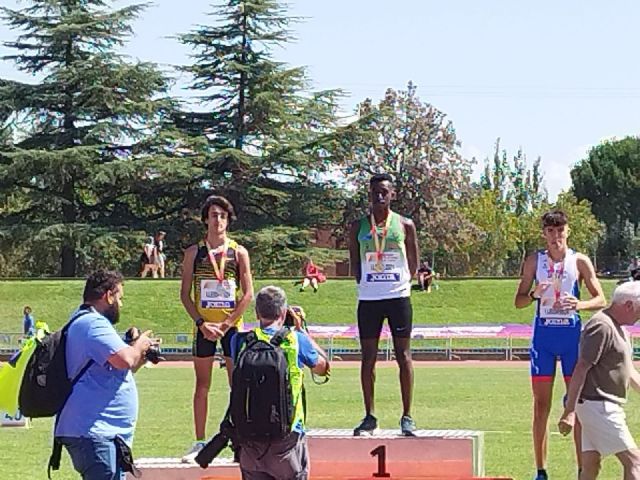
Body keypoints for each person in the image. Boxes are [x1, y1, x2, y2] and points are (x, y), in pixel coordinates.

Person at [514, 209, 606, 480]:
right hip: (543, 340)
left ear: (568, 231)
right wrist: (533, 294)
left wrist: (580, 304)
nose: (556, 237)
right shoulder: (535, 261)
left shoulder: (579, 261)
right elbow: (518, 301)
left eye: (560, 231)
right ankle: (541, 471)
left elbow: (601, 298)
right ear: (544, 234)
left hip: (571, 340)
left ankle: (581, 470)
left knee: (575, 404)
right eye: (550, 232)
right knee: (541, 405)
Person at [55, 270, 155, 480]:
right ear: (108, 295)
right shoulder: (93, 323)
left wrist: (140, 355)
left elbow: (119, 369)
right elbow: (125, 359)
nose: (121, 304)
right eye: (120, 298)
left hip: (100, 432)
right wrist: (140, 344)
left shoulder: (85, 321)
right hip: (93, 431)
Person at [180, 195, 254, 462]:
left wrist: (225, 323)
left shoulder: (239, 252)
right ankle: (199, 442)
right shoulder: (193, 253)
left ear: (228, 220)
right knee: (202, 384)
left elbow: (248, 294)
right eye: (213, 215)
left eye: (223, 216)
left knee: (238, 386)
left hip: (231, 329)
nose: (218, 220)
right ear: (205, 219)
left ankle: (240, 442)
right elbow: (185, 295)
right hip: (203, 329)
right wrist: (202, 323)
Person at [231, 285, 330, 480]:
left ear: (257, 312)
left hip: (249, 438)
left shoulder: (240, 341)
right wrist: (303, 331)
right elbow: (323, 367)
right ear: (283, 312)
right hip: (288, 435)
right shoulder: (296, 340)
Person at [348, 172, 420, 436]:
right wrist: (367, 282)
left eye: (384, 191)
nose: (380, 196)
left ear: (393, 194)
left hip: (398, 296)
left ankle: (407, 416)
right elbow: (354, 263)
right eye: (375, 191)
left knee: (404, 356)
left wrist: (401, 281)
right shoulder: (358, 226)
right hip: (369, 298)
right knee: (368, 358)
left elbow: (413, 261)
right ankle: (369, 416)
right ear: (369, 194)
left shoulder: (404, 225)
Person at [558, 281, 640, 480]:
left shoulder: (621, 330)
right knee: (635, 462)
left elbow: (629, 371)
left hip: (602, 406)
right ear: (628, 305)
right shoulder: (601, 325)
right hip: (598, 406)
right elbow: (582, 367)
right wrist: (569, 412)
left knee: (591, 465)